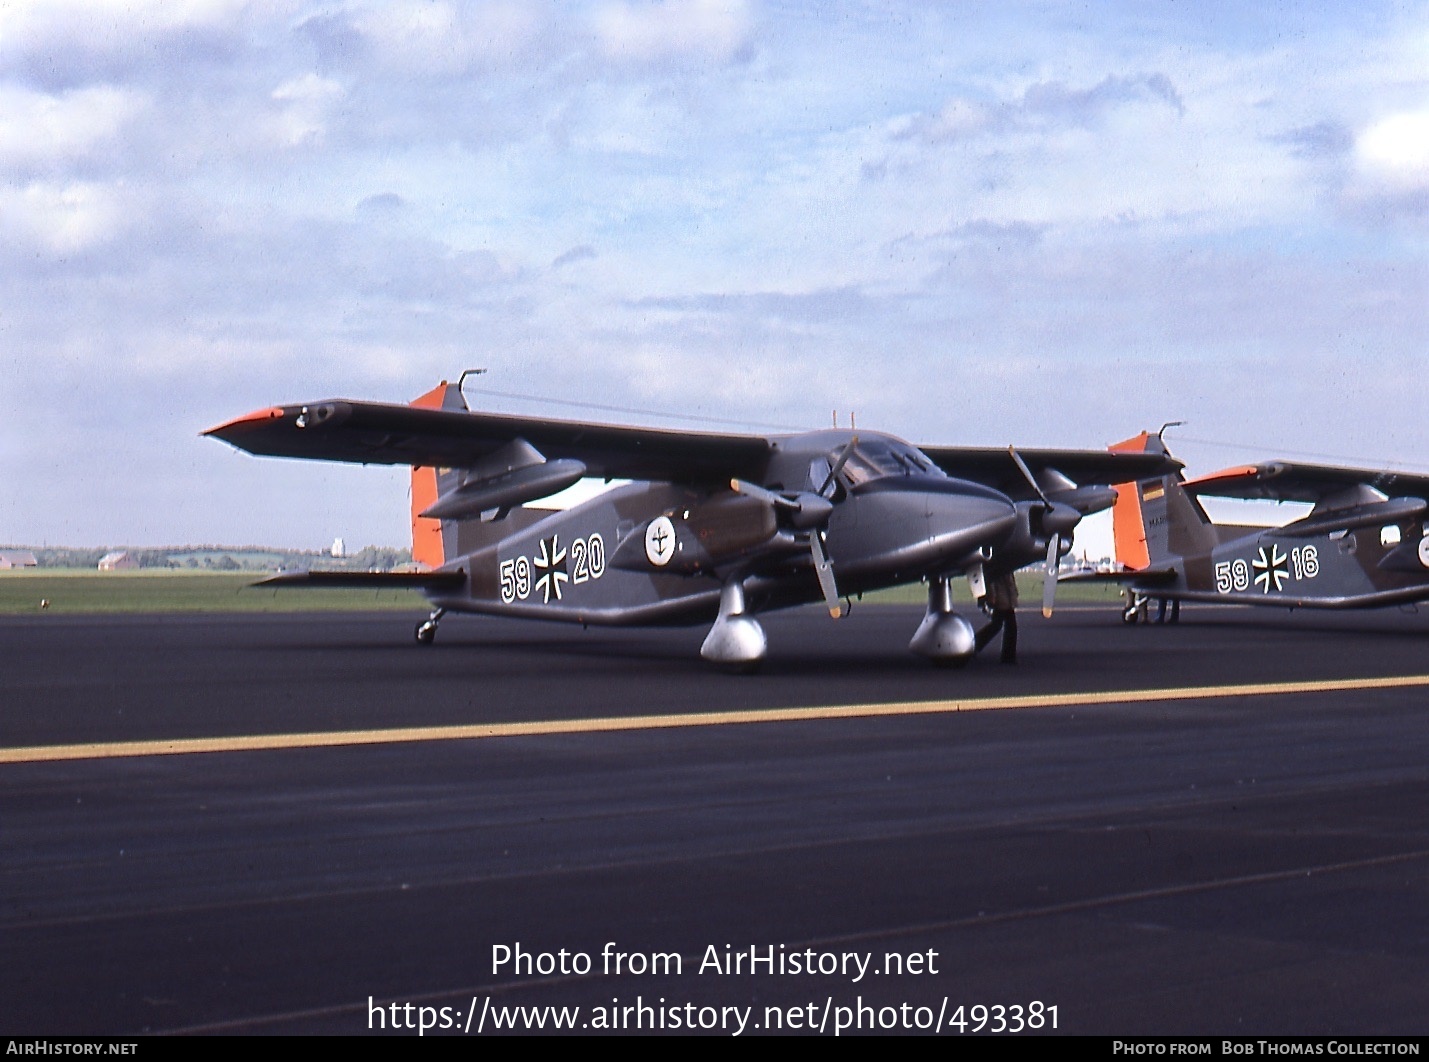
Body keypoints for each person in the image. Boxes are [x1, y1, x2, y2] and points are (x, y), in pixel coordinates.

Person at [975, 570, 1018, 664]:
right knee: (1005, 627)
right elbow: (995, 583)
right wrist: (993, 597)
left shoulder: (1003, 569)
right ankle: (1008, 656)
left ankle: (976, 645)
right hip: (1003, 601)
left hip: (1005, 601)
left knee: (998, 626)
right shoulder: (1001, 569)